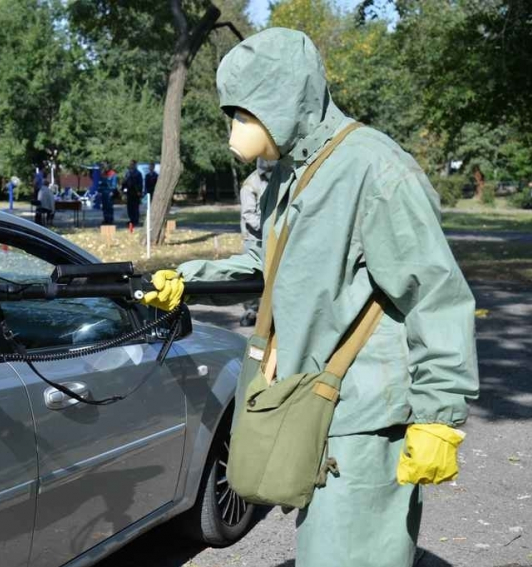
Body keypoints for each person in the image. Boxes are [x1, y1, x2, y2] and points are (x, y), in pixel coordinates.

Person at [142, 28, 479, 567]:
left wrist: (440, 412)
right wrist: (190, 276)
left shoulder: (375, 169)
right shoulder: (291, 174)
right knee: (322, 546)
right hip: (308, 403)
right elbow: (268, 265)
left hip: (364, 417)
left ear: (285, 100)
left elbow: (434, 293)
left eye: (244, 115)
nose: (234, 131)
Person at [238, 158, 274, 327]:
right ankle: (251, 311)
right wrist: (269, 228)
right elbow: (249, 215)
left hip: (270, 238)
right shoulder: (250, 185)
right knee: (251, 278)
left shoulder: (274, 180)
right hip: (254, 239)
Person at [123, 160, 143, 227]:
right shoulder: (128, 173)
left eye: (132, 164)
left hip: (135, 192)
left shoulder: (138, 173)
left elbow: (140, 183)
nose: (131, 165)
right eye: (130, 164)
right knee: (129, 207)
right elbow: (125, 182)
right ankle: (131, 219)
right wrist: (124, 190)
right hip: (129, 192)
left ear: (135, 165)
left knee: (135, 207)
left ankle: (135, 220)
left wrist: (139, 191)